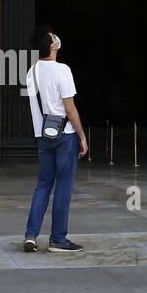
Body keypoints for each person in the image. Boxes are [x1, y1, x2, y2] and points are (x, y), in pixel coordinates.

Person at [23, 26, 88, 253]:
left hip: (43, 135)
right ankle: (58, 239)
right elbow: (69, 108)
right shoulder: (62, 70)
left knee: (43, 185)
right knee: (63, 187)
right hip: (65, 134)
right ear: (52, 45)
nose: (56, 38)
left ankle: (31, 235)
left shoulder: (31, 72)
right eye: (53, 37)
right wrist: (81, 134)